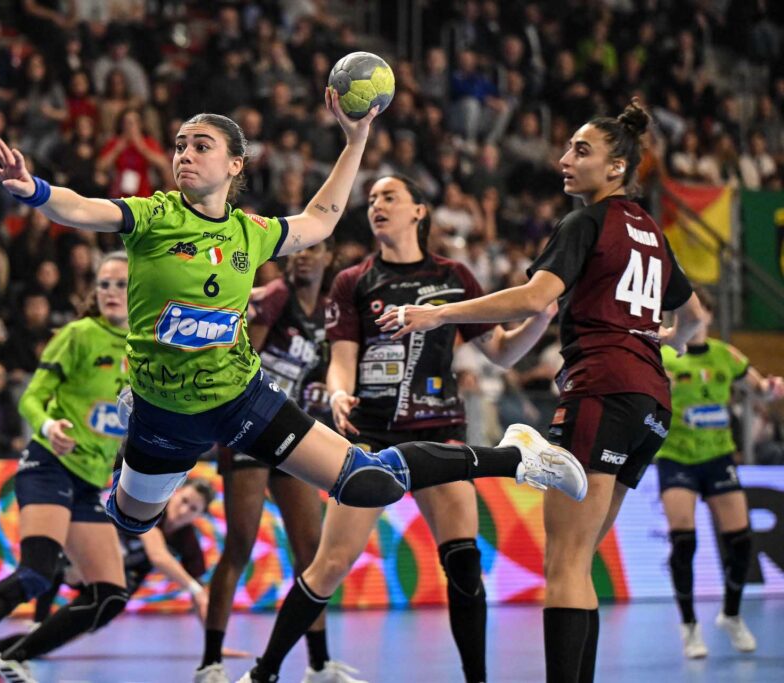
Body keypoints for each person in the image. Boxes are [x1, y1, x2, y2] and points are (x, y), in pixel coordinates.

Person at [0, 94, 584, 547]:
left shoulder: (252, 232)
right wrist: (34, 190)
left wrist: (355, 140)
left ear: (235, 164)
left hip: (241, 397)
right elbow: (82, 208)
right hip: (164, 410)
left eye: (200, 146)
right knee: (134, 521)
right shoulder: (154, 216)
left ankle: (518, 456)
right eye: (180, 146)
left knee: (366, 482)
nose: (184, 155)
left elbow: (321, 219)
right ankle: (130, 472)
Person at [376, 100, 706, 683]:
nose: (564, 160)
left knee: (565, 563)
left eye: (581, 150)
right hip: (651, 402)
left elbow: (533, 298)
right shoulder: (652, 233)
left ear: (617, 166)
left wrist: (438, 314)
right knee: (580, 561)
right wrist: (666, 336)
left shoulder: (586, 222)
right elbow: (697, 318)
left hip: (600, 389)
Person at [241, 175, 557, 683]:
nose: (377, 206)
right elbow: (342, 360)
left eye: (389, 197)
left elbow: (501, 352)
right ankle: (264, 672)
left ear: (419, 211)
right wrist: (338, 392)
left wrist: (539, 321)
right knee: (329, 565)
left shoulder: (454, 277)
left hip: (439, 434)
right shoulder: (353, 281)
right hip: (373, 438)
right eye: (371, 200)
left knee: (464, 565)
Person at [0, 252, 132, 682]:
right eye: (104, 284)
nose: (111, 292)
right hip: (49, 464)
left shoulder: (145, 345)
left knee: (109, 596)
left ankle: (8, 661)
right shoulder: (78, 335)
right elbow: (31, 397)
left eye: (121, 284)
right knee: (36, 573)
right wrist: (49, 425)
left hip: (90, 480)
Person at [197, 239, 363, 683]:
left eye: (314, 250)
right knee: (240, 543)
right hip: (250, 430)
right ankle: (210, 663)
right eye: (298, 250)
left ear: (329, 258)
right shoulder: (274, 297)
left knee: (311, 550)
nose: (303, 255)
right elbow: (240, 362)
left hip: (292, 433)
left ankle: (319, 665)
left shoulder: (327, 312)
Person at [656, 288, 784, 659]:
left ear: (708, 316)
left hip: (718, 456)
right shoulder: (664, 355)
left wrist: (772, 389)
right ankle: (689, 625)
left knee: (741, 541)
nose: (693, 317)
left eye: (700, 310)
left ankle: (730, 614)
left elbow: (758, 389)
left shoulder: (726, 355)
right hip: (676, 457)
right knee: (684, 542)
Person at [0, 479, 215, 661]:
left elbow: (201, 595)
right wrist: (193, 588)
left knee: (62, 633)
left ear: (200, 515)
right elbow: (159, 556)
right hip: (88, 559)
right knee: (51, 563)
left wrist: (213, 642)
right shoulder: (150, 508)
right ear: (175, 493)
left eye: (193, 509)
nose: (184, 511)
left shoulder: (188, 540)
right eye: (184, 501)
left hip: (116, 585)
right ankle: (37, 620)